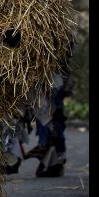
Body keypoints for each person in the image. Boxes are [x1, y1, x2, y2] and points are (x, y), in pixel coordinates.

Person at [24, 47, 74, 177]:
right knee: (50, 129)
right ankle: (52, 162)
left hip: (52, 103)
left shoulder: (58, 68)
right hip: (49, 103)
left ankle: (53, 163)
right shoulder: (54, 68)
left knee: (52, 131)